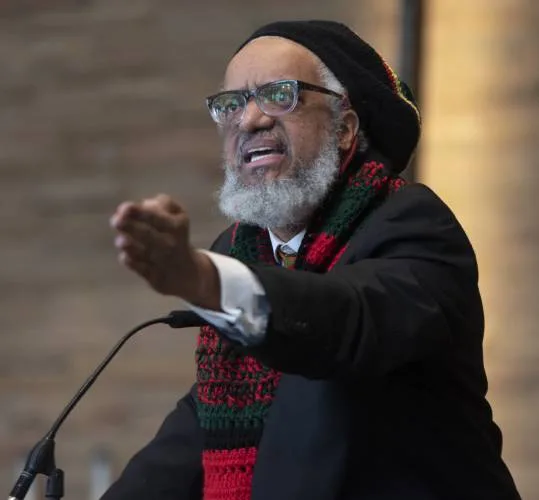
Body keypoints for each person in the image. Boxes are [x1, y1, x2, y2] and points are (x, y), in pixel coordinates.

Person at [104, 20, 521, 500]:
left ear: (344, 129)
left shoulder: (413, 225)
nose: (249, 120)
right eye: (231, 104)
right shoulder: (243, 249)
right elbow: (199, 432)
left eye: (280, 95)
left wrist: (206, 279)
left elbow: (347, 322)